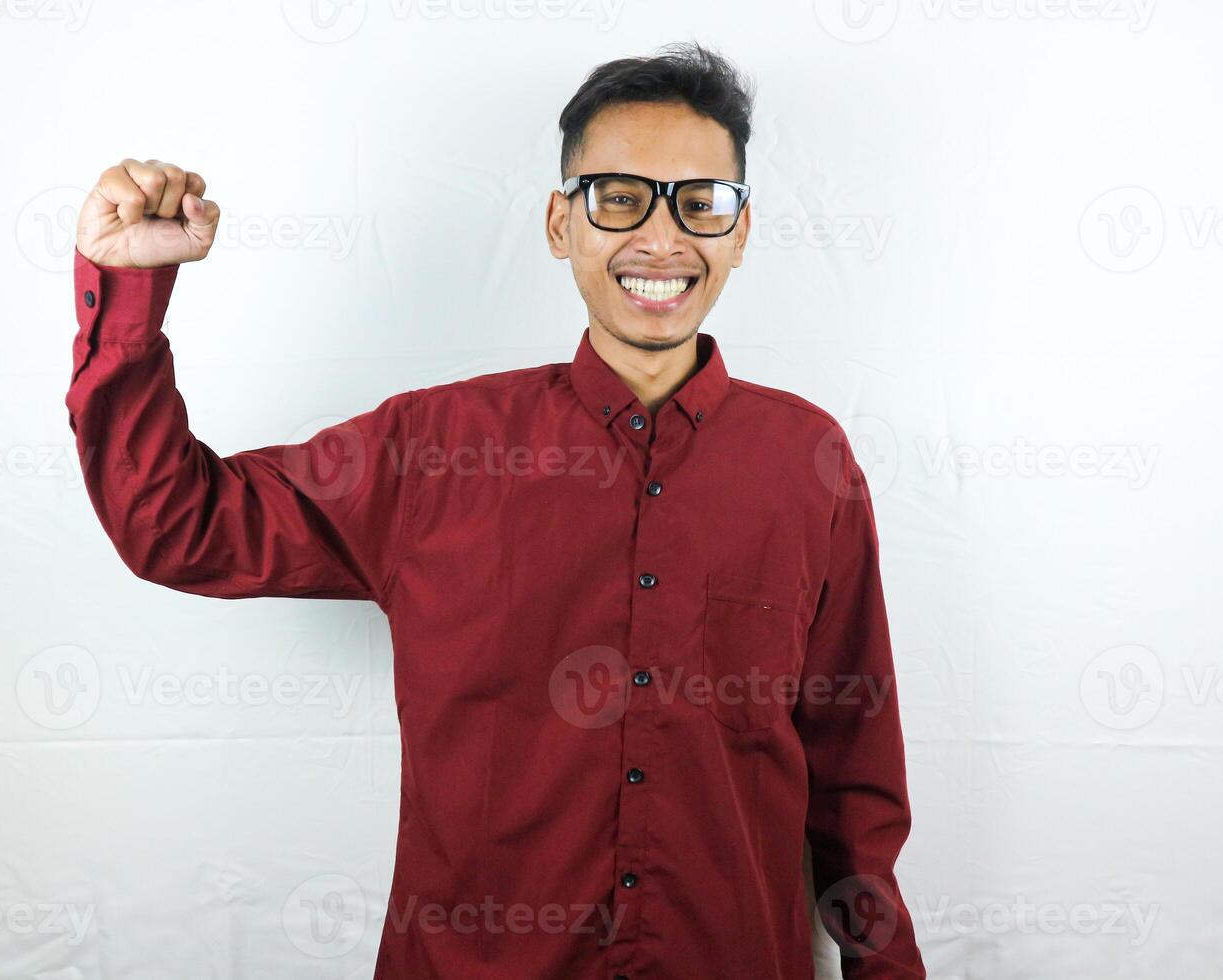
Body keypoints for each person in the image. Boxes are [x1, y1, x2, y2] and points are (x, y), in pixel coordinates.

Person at [66, 40, 925, 980]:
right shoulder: (433, 450)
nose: (661, 238)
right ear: (562, 223)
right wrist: (130, 294)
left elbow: (853, 772)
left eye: (701, 202)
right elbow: (178, 526)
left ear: (742, 231)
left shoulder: (805, 463)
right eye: (619, 197)